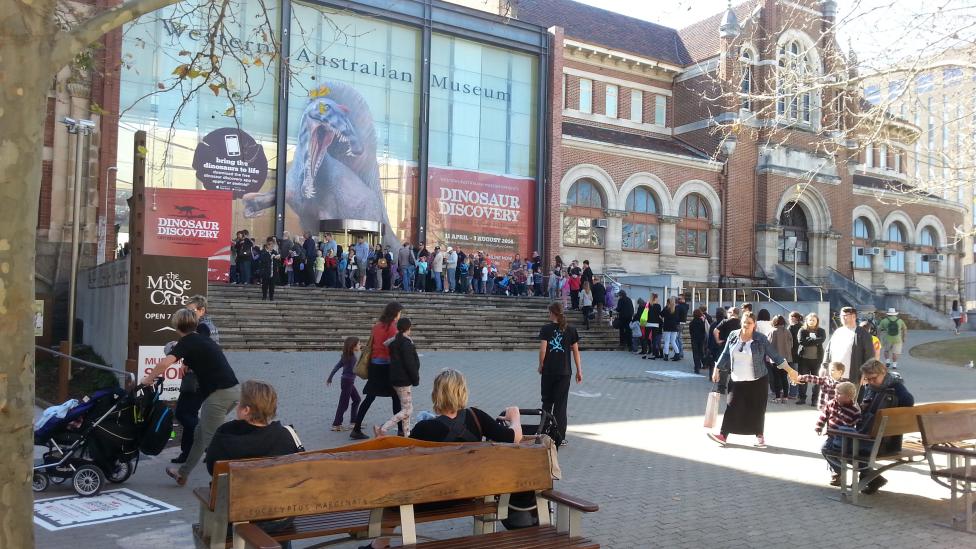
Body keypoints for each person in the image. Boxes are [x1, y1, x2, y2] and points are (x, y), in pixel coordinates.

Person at [359, 370, 523, 549]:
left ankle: (379, 545)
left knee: (392, 498)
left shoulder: (424, 428)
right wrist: (515, 416)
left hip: (428, 500)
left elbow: (402, 463)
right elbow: (514, 437)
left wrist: (382, 442)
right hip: (468, 496)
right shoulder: (476, 417)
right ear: (462, 392)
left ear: (436, 394)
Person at [141, 309, 240, 486]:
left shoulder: (186, 342)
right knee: (200, 434)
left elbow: (165, 362)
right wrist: (187, 363)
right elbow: (203, 350)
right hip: (231, 390)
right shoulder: (200, 335)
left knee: (212, 441)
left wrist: (148, 379)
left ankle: (236, 480)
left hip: (219, 395)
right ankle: (182, 474)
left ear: (176, 325)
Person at [821, 359, 914, 494]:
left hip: (880, 442)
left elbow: (908, 401)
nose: (870, 382)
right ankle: (871, 479)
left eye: (873, 378)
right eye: (867, 379)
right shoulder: (875, 388)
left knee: (827, 447)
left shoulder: (896, 388)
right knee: (837, 442)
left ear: (884, 372)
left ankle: (868, 478)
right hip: (880, 439)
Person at [707, 311, 796, 448]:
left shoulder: (760, 338)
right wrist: (716, 369)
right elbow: (725, 354)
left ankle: (759, 437)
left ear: (754, 324)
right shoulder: (733, 335)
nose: (746, 325)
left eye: (749, 323)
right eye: (744, 322)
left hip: (758, 380)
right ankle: (723, 435)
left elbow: (775, 355)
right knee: (731, 407)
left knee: (757, 409)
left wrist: (790, 370)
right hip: (737, 379)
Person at [169, 296, 219, 464]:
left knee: (184, 414)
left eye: (191, 311)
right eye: (187, 310)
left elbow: (199, 348)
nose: (188, 314)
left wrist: (179, 351)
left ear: (201, 310)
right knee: (186, 413)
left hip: (198, 379)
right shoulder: (204, 326)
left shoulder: (203, 327)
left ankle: (210, 444)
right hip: (198, 377)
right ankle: (188, 453)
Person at [351, 302, 404, 440]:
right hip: (387, 367)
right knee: (396, 398)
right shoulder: (393, 328)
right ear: (395, 313)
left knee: (370, 397)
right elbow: (392, 349)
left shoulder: (377, 326)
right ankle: (400, 430)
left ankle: (356, 428)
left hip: (375, 365)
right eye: (399, 313)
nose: (400, 316)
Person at [538, 302, 582, 444]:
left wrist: (541, 365)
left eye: (549, 312)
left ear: (553, 313)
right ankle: (559, 437)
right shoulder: (571, 330)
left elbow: (543, 349)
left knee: (546, 402)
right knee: (561, 405)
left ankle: (543, 434)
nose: (548, 314)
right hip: (564, 372)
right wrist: (579, 370)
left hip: (549, 371)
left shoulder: (546, 329)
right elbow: (575, 351)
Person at [376, 318, 420, 437]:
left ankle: (407, 434)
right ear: (408, 328)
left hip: (396, 379)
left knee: (406, 408)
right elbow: (410, 364)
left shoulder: (395, 342)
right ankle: (383, 428)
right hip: (403, 381)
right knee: (408, 410)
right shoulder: (406, 343)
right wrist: (415, 379)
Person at [813, 381, 861, 487]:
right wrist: (819, 426)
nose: (836, 395)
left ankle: (840, 472)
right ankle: (838, 471)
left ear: (849, 396)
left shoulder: (854, 411)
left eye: (839, 393)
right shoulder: (831, 403)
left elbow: (858, 425)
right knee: (825, 450)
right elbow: (824, 416)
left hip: (844, 438)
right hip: (831, 436)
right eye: (835, 392)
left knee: (839, 454)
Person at [822, 306, 874, 385]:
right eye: (841, 316)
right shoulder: (838, 331)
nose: (843, 318)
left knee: (850, 397)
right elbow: (828, 351)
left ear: (854, 316)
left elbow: (869, 356)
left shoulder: (862, 334)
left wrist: (867, 375)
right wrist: (824, 367)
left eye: (845, 316)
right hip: (835, 376)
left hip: (853, 377)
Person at [328, 337, 362, 431]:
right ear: (353, 346)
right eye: (359, 344)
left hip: (347, 381)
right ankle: (336, 425)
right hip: (348, 382)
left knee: (357, 399)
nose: (360, 345)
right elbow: (357, 369)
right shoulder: (352, 357)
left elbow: (337, 366)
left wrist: (330, 377)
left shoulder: (347, 355)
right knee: (343, 404)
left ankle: (353, 422)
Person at [795, 313, 826, 406]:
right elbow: (801, 341)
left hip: (817, 360)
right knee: (802, 379)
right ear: (807, 321)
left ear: (817, 321)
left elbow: (822, 339)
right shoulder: (802, 330)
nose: (812, 322)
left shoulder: (821, 330)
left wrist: (808, 340)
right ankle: (802, 398)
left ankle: (815, 400)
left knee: (817, 381)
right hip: (804, 359)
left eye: (814, 320)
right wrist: (814, 340)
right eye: (810, 320)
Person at [768, 315, 793, 403]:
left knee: (776, 378)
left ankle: (778, 397)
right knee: (784, 378)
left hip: (775, 359)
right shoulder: (787, 331)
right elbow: (791, 344)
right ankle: (785, 397)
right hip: (786, 358)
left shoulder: (772, 331)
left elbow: (769, 346)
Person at [689, 308, 709, 374]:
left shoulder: (691, 323)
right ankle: (705, 364)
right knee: (702, 352)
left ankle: (697, 368)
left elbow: (690, 332)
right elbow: (705, 331)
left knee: (695, 354)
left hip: (694, 339)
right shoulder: (702, 322)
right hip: (702, 339)